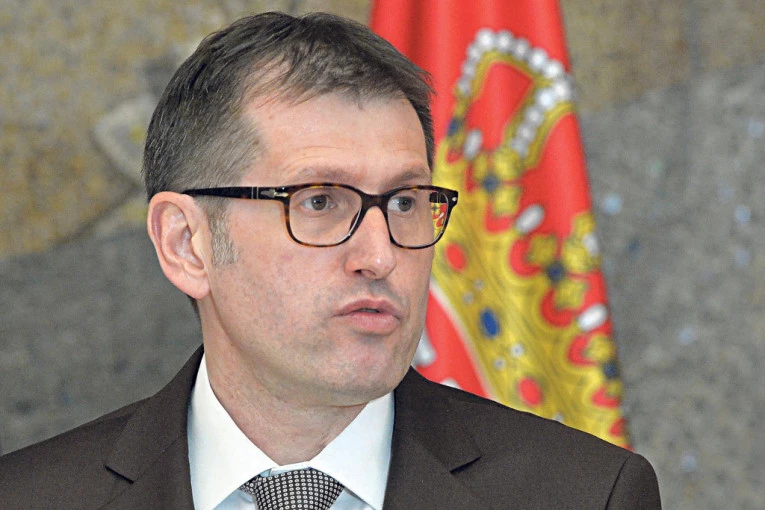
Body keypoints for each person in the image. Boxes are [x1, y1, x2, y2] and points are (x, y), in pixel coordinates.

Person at [0, 11, 661, 509]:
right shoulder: (31, 498)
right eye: (319, 202)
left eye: (404, 202)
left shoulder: (585, 495)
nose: (380, 255)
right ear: (185, 243)